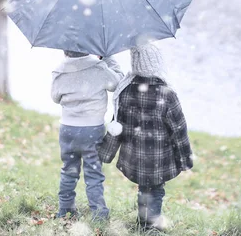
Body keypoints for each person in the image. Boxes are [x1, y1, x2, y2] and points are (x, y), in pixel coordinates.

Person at [98, 44, 193, 231]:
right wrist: (184, 159)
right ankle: (150, 227)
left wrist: (105, 153)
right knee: (156, 190)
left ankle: (144, 223)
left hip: (136, 158)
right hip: (159, 159)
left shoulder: (125, 92)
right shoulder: (167, 94)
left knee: (144, 189)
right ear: (157, 64)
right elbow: (179, 129)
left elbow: (116, 127)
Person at [51, 50, 123, 220]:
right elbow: (118, 83)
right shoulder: (99, 67)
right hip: (92, 129)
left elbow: (55, 97)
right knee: (93, 173)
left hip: (68, 129)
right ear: (89, 47)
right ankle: (98, 214)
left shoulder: (59, 70)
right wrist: (108, 58)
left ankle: (65, 209)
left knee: (69, 170)